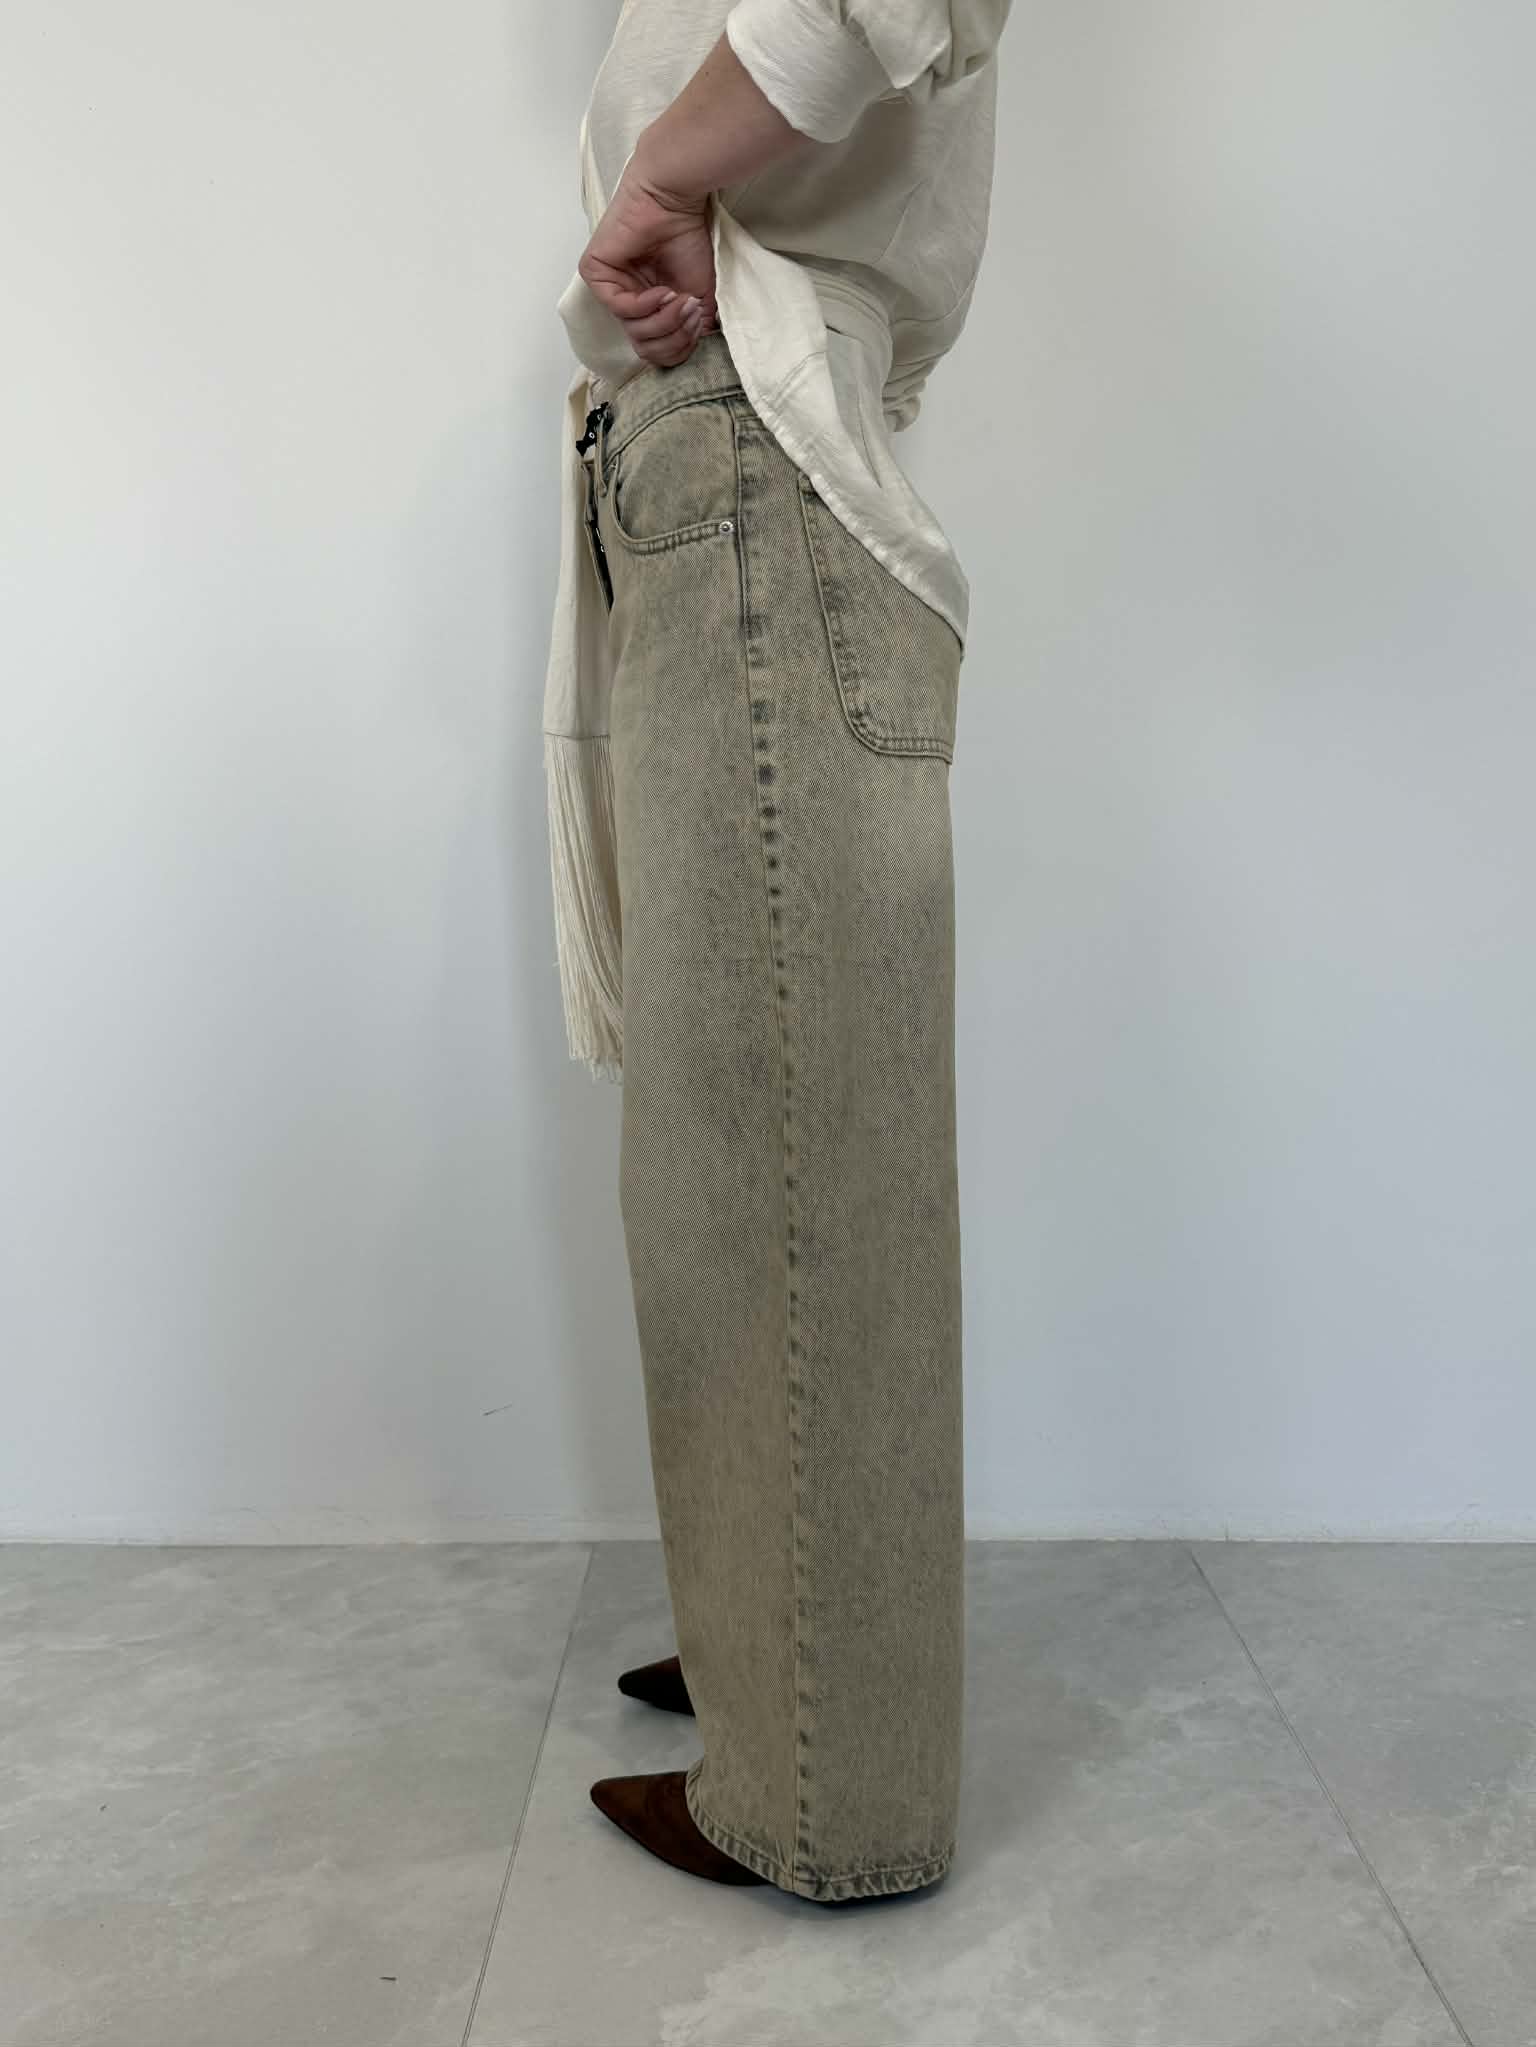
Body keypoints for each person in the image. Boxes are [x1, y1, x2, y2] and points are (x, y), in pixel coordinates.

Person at [541, 0, 1012, 1903]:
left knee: (791, 1169)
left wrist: (665, 176)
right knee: (735, 1166)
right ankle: (780, 1625)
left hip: (752, 476)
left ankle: (827, 1785)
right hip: (737, 467)